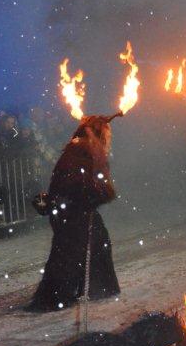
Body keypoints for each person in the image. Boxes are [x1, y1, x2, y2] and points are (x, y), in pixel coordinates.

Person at [28, 115, 120, 312]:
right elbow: (80, 184)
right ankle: (56, 297)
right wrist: (96, 195)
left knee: (95, 243)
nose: (109, 138)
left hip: (71, 209)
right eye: (107, 134)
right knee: (69, 254)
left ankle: (95, 288)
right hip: (72, 211)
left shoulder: (81, 148)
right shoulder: (83, 150)